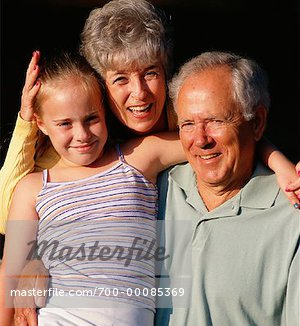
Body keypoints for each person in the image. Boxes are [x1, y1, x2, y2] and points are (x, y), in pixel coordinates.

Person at [0, 51, 188, 326]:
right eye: (64, 124)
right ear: (41, 125)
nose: (82, 134)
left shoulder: (138, 158)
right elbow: (12, 268)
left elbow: (207, 132)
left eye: (91, 118)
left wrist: (278, 163)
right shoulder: (35, 186)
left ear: (106, 112)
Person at [0, 0, 300, 238]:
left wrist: (280, 164)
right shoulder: (81, 139)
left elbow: (232, 134)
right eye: (121, 79)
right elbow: (5, 216)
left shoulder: (184, 111)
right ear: (102, 84)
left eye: (150, 73)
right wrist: (26, 122)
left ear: (166, 71)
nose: (139, 93)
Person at [140, 51, 300, 326]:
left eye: (216, 120)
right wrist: (30, 257)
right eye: (188, 123)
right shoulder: (152, 185)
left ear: (257, 122)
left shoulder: (291, 212)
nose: (200, 139)